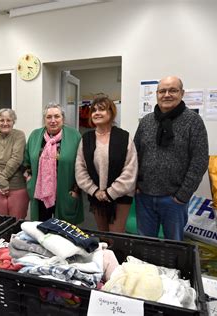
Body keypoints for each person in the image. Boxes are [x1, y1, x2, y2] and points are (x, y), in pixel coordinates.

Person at [134, 76, 209, 241]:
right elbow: (134, 155)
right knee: (145, 244)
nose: (166, 94)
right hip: (144, 196)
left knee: (174, 246)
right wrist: (135, 186)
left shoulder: (193, 121)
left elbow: (200, 160)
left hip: (174, 200)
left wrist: (182, 195)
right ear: (157, 94)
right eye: (162, 91)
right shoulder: (146, 122)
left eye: (172, 90)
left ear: (182, 93)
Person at [75, 95, 138, 233]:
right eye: (94, 110)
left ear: (111, 113)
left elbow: (130, 169)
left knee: (116, 236)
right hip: (96, 196)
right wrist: (95, 191)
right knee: (102, 234)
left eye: (102, 109)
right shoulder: (86, 139)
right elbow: (80, 169)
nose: (97, 113)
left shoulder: (124, 137)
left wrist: (110, 193)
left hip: (121, 196)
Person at [24, 103, 83, 224]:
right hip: (40, 193)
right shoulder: (35, 136)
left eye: (57, 116)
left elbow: (82, 165)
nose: (53, 120)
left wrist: (76, 190)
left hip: (65, 192)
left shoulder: (74, 136)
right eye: (49, 117)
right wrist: (29, 181)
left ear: (63, 118)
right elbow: (26, 162)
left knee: (64, 231)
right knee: (41, 230)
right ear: (44, 119)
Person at [0, 108, 28, 219]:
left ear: (13, 121)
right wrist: (2, 182)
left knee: (17, 222)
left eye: (9, 120)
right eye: (2, 120)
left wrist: (3, 181)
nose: (5, 123)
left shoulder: (19, 135)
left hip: (17, 186)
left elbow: (16, 158)